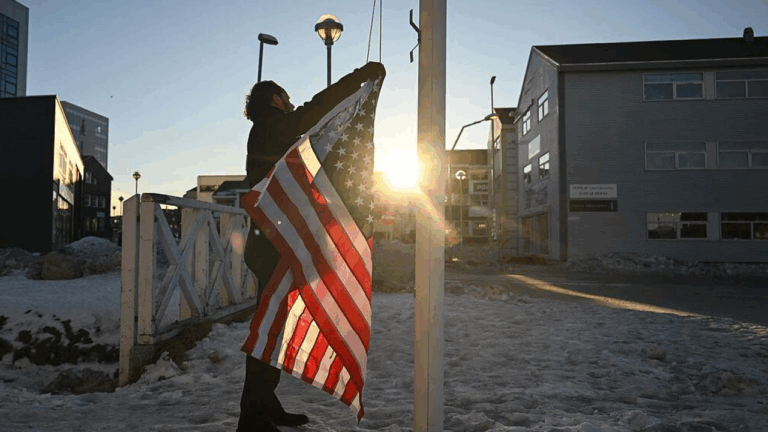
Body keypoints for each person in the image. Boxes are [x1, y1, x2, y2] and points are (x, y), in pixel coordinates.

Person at [237, 62, 384, 432]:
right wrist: (358, 78)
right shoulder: (271, 125)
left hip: (274, 244)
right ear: (275, 99)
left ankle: (265, 405)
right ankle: (251, 418)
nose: (292, 103)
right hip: (273, 247)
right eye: (287, 99)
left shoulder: (267, 130)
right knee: (270, 329)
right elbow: (315, 111)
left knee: (275, 328)